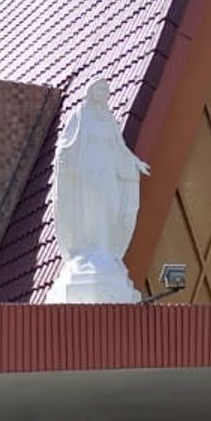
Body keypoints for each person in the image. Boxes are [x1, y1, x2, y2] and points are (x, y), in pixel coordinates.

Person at [46, 77, 149, 302]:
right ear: (91, 91)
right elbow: (66, 146)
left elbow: (119, 149)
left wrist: (134, 163)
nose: (104, 93)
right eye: (101, 89)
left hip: (107, 175)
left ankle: (105, 252)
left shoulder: (109, 120)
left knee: (110, 210)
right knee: (90, 214)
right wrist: (65, 164)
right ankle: (89, 252)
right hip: (89, 175)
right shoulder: (81, 117)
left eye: (107, 90)